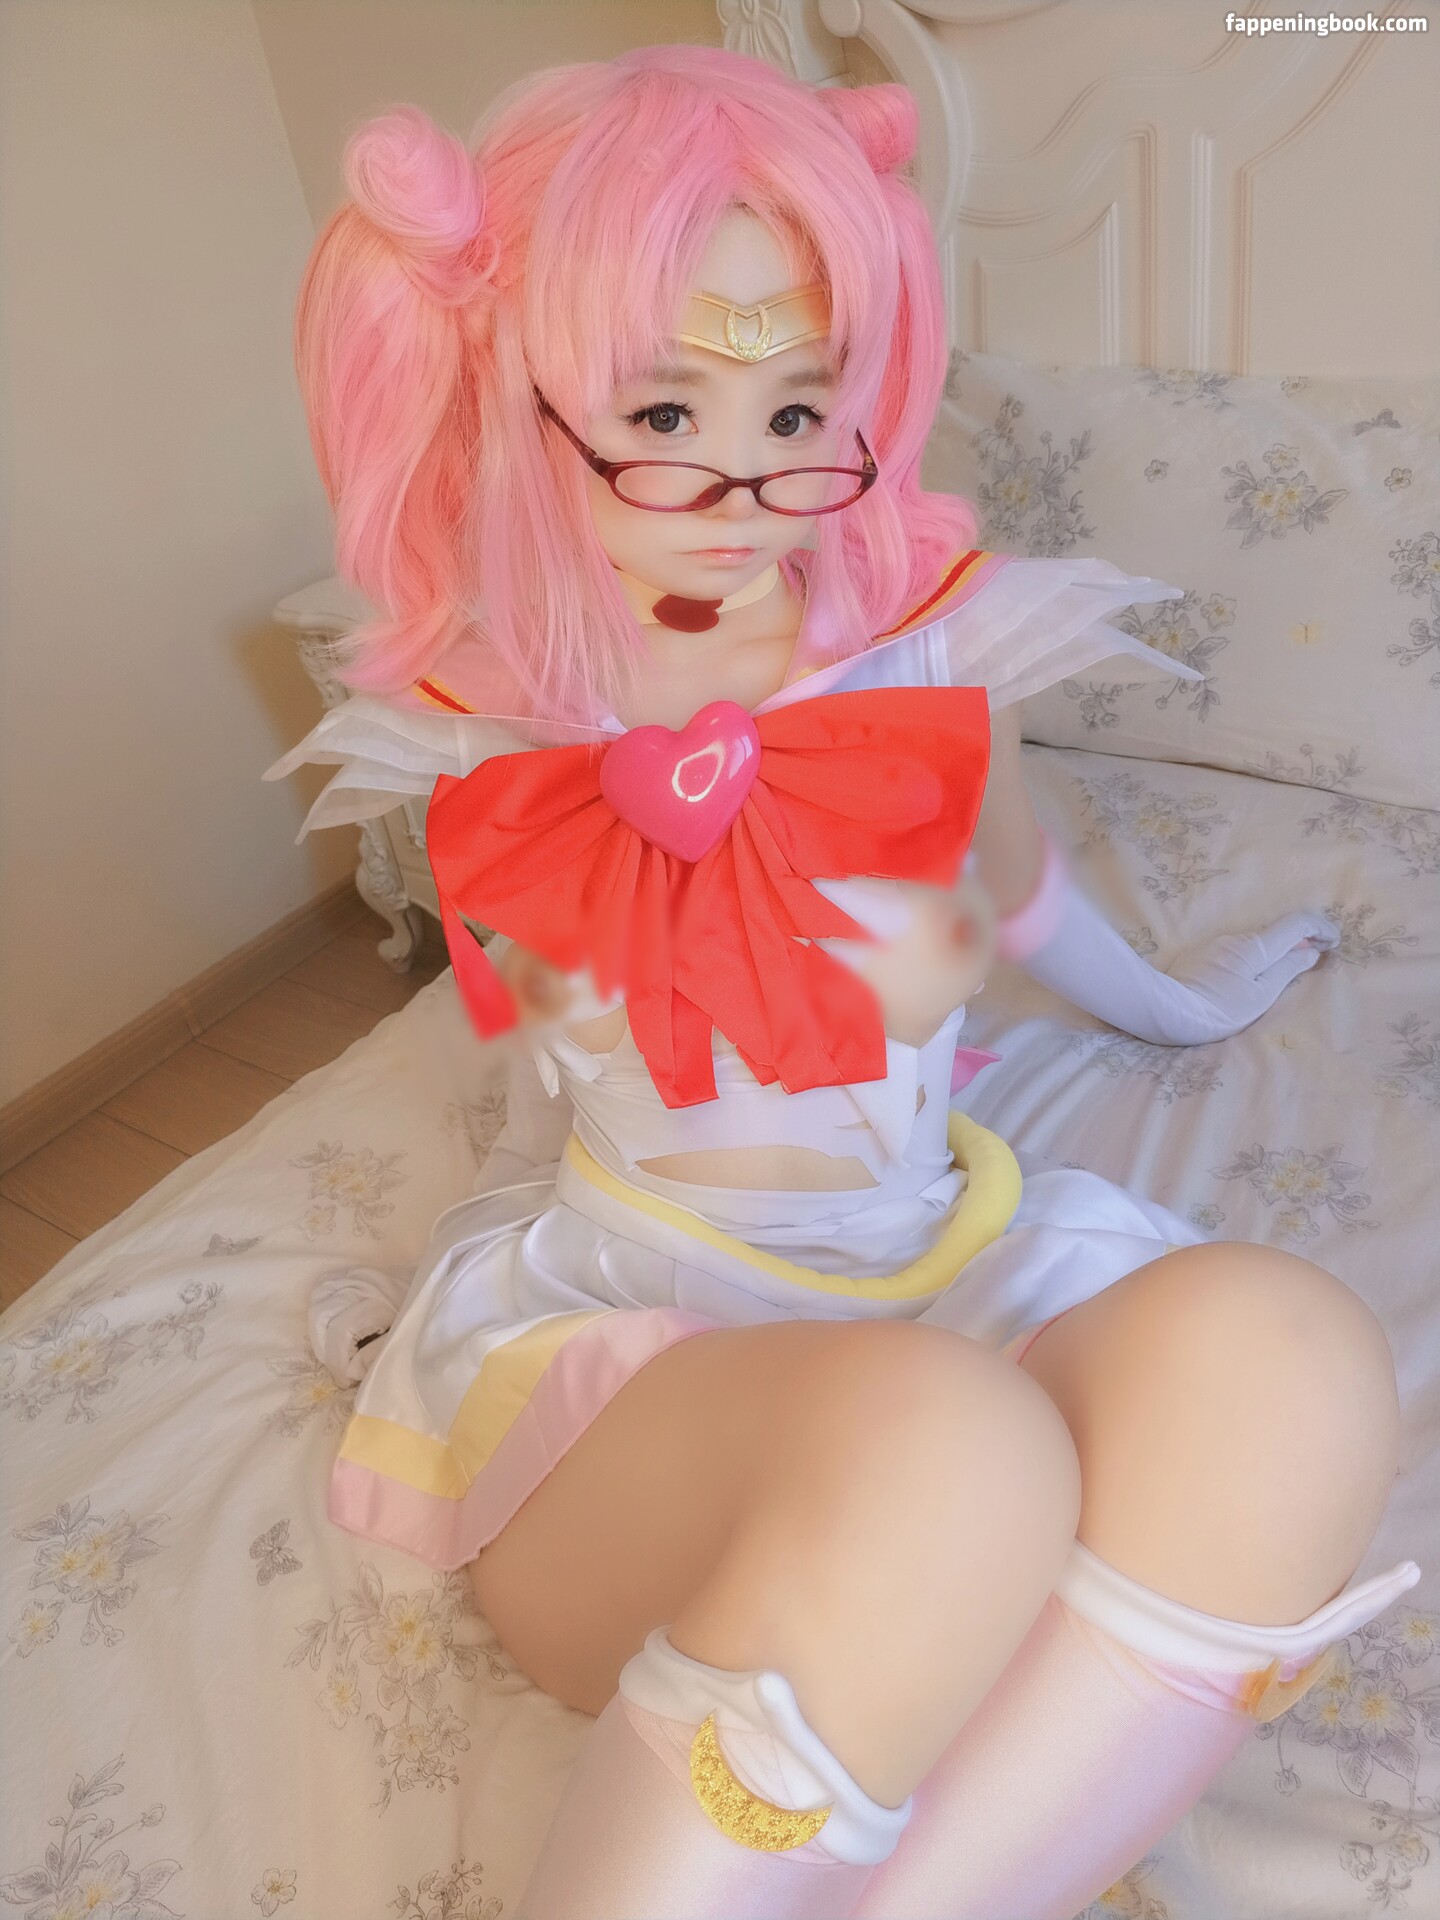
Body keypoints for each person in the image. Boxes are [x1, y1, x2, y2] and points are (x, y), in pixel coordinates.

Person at [267, 47, 1419, 1920]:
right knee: (943, 1450)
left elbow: (1022, 903)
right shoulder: (476, 723)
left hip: (935, 1263)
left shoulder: (929, 664)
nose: (751, 481)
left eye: (798, 402)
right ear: (508, 387)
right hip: (646, 1334)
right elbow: (534, 1036)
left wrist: (1188, 1004)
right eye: (665, 404)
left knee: (1285, 1354)